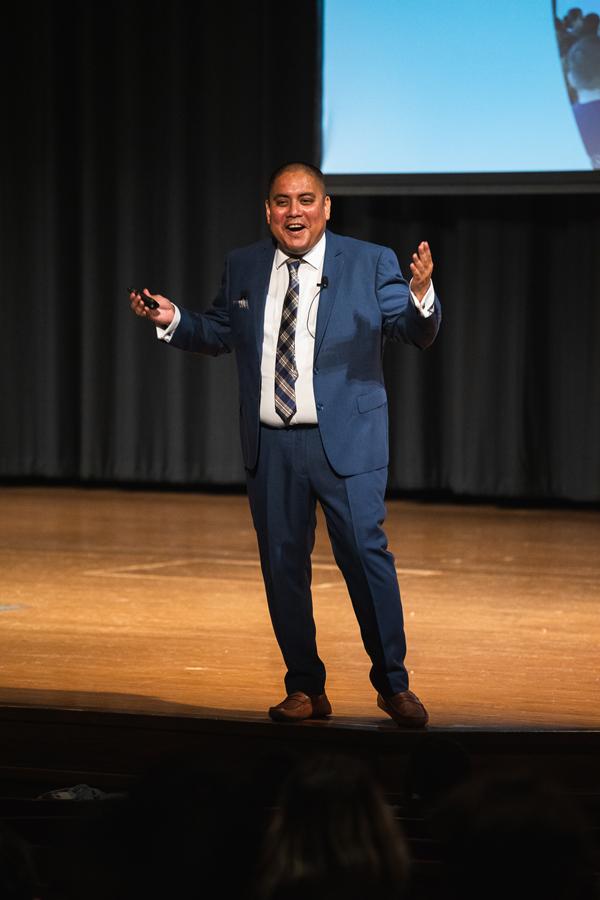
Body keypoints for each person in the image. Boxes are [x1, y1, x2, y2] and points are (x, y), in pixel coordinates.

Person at [130, 161, 441, 728]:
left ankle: (392, 684)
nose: (293, 212)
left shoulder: (371, 262)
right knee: (282, 568)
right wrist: (175, 318)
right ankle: (305, 686)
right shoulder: (245, 265)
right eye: (281, 202)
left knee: (367, 560)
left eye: (304, 200)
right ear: (267, 212)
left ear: (327, 207)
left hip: (345, 444)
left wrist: (421, 297)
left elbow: (411, 331)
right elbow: (224, 330)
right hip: (272, 447)